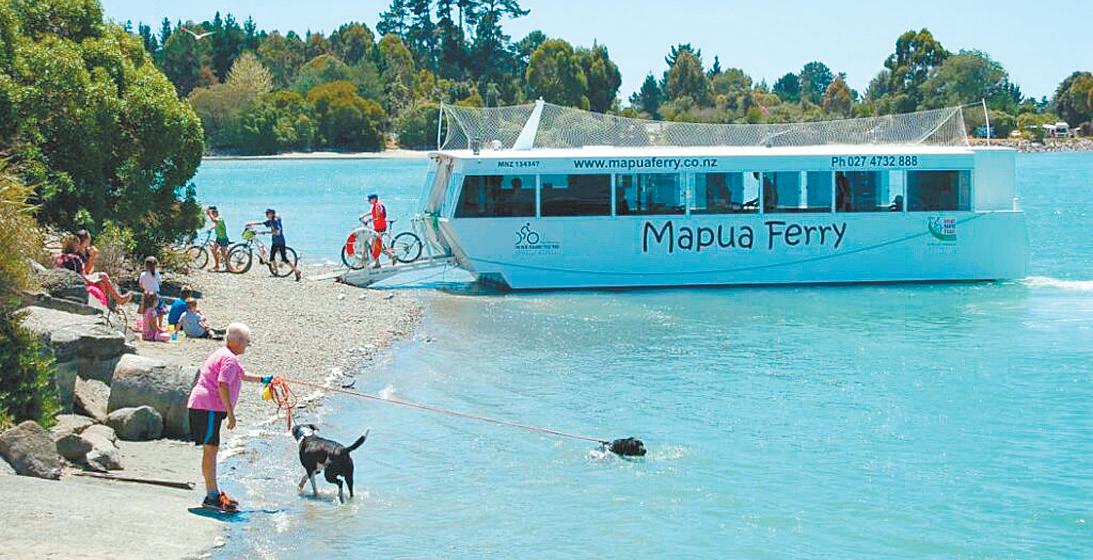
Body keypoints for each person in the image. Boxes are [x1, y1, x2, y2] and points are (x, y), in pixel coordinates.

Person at [186, 323, 272, 511]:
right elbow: (223, 384)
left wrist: (264, 379)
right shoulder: (229, 359)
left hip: (205, 406)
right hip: (208, 406)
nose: (247, 346)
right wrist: (231, 413)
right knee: (211, 449)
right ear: (238, 341)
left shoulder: (225, 355)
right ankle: (212, 495)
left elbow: (241, 375)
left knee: (211, 448)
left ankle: (212, 493)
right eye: (247, 342)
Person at [54, 235, 131, 306]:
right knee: (103, 275)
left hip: (65, 280)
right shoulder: (75, 258)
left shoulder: (58, 257)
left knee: (102, 283)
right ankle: (118, 299)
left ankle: (108, 305)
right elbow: (81, 274)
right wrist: (92, 257)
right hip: (77, 280)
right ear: (76, 246)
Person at [247, 209, 301, 281]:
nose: (267, 215)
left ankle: (296, 271)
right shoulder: (271, 221)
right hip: (274, 242)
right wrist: (251, 223)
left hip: (280, 242)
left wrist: (265, 232)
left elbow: (278, 232)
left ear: (272, 214)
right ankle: (276, 272)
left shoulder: (275, 221)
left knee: (284, 259)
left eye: (268, 214)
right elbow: (262, 223)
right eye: (266, 214)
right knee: (272, 258)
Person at [360, 194, 387, 269]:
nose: (368, 201)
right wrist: (363, 216)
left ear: (374, 199)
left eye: (369, 200)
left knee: (374, 246)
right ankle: (377, 263)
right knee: (375, 245)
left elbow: (379, 215)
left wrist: (370, 219)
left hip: (380, 227)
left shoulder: (378, 206)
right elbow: (372, 213)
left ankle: (390, 255)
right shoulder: (375, 206)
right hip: (377, 227)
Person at [206, 206, 230, 272]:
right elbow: (216, 224)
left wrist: (210, 213)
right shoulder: (217, 219)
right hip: (219, 238)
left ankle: (228, 267)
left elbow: (214, 220)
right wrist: (211, 228)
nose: (213, 214)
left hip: (223, 238)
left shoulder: (220, 219)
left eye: (213, 213)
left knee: (223, 253)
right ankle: (217, 266)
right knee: (213, 249)